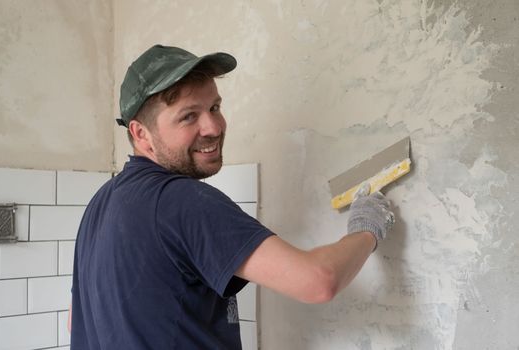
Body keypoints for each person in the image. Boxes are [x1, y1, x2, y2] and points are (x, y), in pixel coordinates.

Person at [69, 44, 395, 349]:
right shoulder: (183, 201)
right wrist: (366, 228)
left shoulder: (100, 204)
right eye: (188, 116)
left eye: (214, 107)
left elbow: (76, 321)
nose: (213, 126)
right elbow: (318, 281)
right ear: (141, 134)